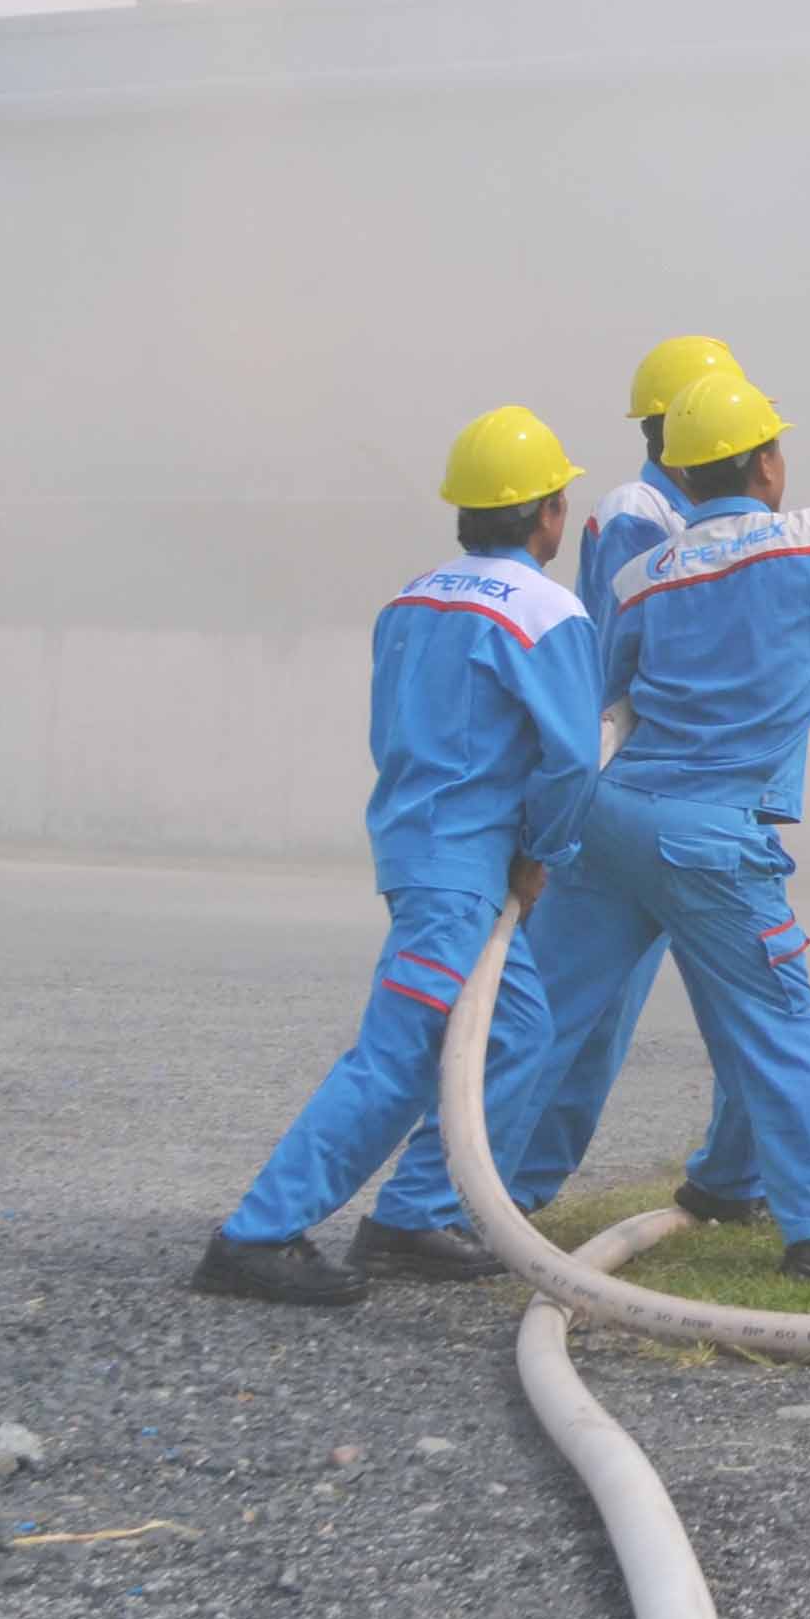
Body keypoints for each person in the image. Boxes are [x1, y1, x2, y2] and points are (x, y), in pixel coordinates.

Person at [191, 407, 600, 1307]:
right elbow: (572, 759)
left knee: (522, 1032)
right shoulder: (549, 612)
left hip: (418, 847)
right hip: (468, 869)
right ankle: (256, 1235)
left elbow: (395, 729)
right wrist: (542, 853)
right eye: (561, 501)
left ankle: (415, 1216)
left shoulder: (412, 599)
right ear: (544, 515)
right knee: (402, 1053)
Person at [513, 366, 810, 1279]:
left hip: (616, 820)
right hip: (709, 836)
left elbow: (611, 683)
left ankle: (462, 1201)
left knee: (542, 1014)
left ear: (682, 479)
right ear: (769, 463)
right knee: (777, 1018)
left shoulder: (647, 571)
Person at [372, 334, 763, 1241]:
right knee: (557, 1013)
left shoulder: (697, 520)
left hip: (680, 798)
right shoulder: (639, 511)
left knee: (667, 1014)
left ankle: (590, 1183)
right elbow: (635, 644)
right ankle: (478, 1190)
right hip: (628, 796)